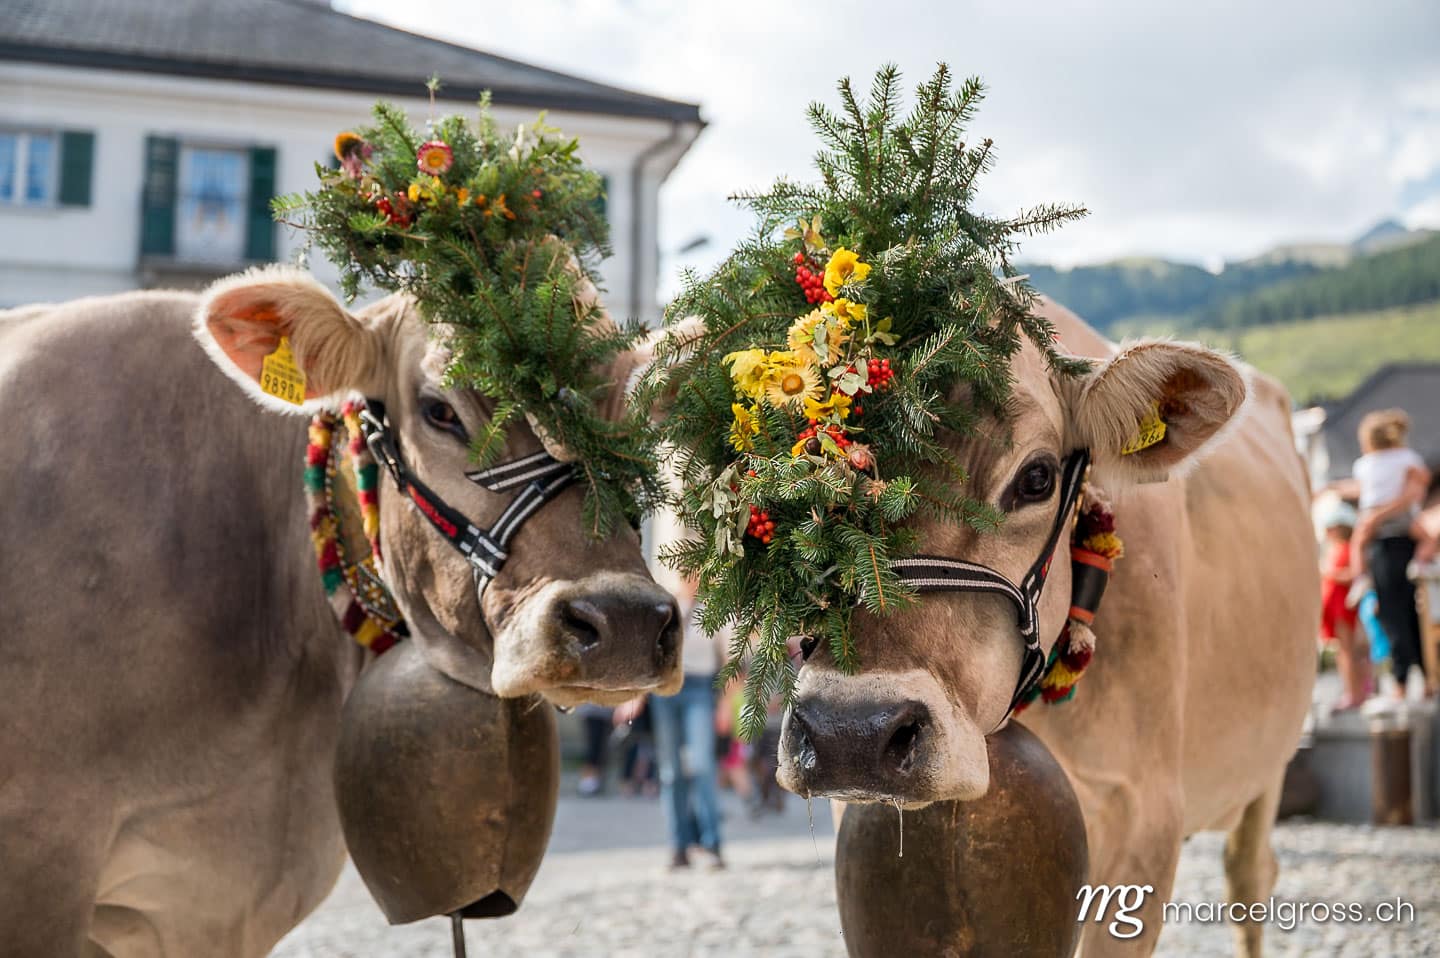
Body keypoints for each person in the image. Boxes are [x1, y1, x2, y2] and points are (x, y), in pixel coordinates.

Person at [1329, 410, 1434, 697]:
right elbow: (1419, 484)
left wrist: (1375, 516)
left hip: (1384, 538)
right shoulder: (1407, 459)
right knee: (1413, 614)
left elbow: (1366, 496)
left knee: (1392, 614)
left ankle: (1401, 683)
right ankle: (1425, 678)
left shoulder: (1366, 464)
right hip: (1405, 530)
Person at [648, 577, 730, 869]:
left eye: (697, 574)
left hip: (700, 689)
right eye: (686, 574)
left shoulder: (714, 610)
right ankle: (678, 846)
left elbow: (727, 662)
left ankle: (711, 844)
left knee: (702, 766)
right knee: (671, 771)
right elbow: (650, 656)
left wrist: (724, 705)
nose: (692, 580)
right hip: (666, 690)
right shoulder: (664, 609)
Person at [1317, 502, 1370, 710]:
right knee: (1344, 652)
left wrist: (1330, 573)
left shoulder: (1348, 549)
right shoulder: (1335, 549)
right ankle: (1352, 692)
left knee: (1348, 651)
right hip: (1335, 607)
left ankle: (1354, 693)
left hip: (1343, 608)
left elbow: (1353, 576)